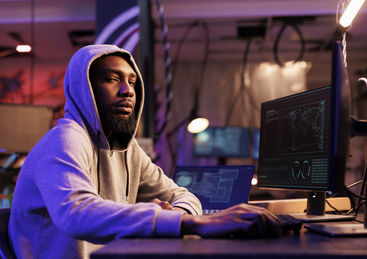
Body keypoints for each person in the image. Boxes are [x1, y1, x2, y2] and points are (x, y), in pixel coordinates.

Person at [9, 44, 281, 259]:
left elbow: (181, 195)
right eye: (112, 79)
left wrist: (177, 214)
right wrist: (192, 224)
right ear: (86, 89)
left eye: (132, 82)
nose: (127, 90)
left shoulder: (128, 148)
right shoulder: (65, 139)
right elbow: (76, 212)